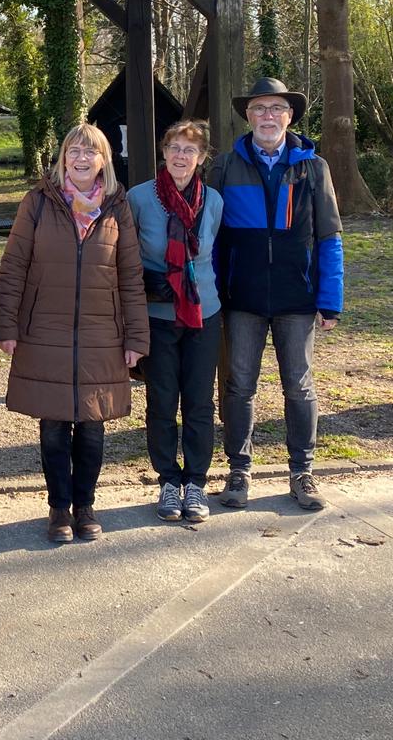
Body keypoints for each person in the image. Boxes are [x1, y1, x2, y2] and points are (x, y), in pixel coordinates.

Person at [0, 123, 150, 544]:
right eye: (74, 151)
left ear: (104, 160)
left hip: (102, 333)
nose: (82, 158)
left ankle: (86, 506)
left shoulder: (117, 207)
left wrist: (136, 337)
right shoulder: (37, 203)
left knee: (94, 425)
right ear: (63, 158)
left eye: (90, 151)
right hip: (45, 331)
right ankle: (59, 508)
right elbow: (13, 267)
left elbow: (131, 276)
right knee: (54, 424)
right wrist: (5, 325)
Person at [208, 77, 343, 512]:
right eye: (260, 109)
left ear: (290, 116)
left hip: (297, 298)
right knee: (238, 386)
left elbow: (329, 237)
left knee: (299, 387)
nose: (268, 116)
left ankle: (302, 472)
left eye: (276, 109)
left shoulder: (313, 168)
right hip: (242, 299)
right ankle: (238, 472)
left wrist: (330, 299)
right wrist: (212, 294)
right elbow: (211, 239)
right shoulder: (225, 166)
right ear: (248, 116)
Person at [127, 121, 225, 524]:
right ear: (163, 153)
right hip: (157, 316)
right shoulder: (139, 198)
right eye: (174, 148)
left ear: (201, 158)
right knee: (162, 401)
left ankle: (196, 482)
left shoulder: (213, 201)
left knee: (200, 401)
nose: (181, 156)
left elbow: (216, 254)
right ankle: (168, 480)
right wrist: (148, 283)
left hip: (203, 313)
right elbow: (124, 255)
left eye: (190, 150)